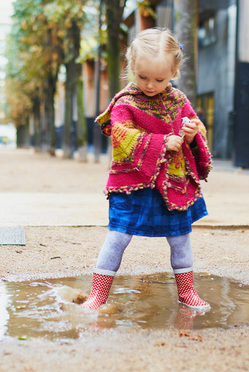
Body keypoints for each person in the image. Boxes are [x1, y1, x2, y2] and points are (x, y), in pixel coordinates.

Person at [81, 28, 213, 311]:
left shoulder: (178, 101)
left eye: (159, 79)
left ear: (174, 71)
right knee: (118, 236)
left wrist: (191, 134)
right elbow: (120, 134)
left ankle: (187, 291)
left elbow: (197, 127)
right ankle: (98, 294)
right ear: (131, 67)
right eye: (142, 77)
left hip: (173, 184)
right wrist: (162, 142)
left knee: (180, 239)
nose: (150, 85)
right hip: (132, 184)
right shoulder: (125, 102)